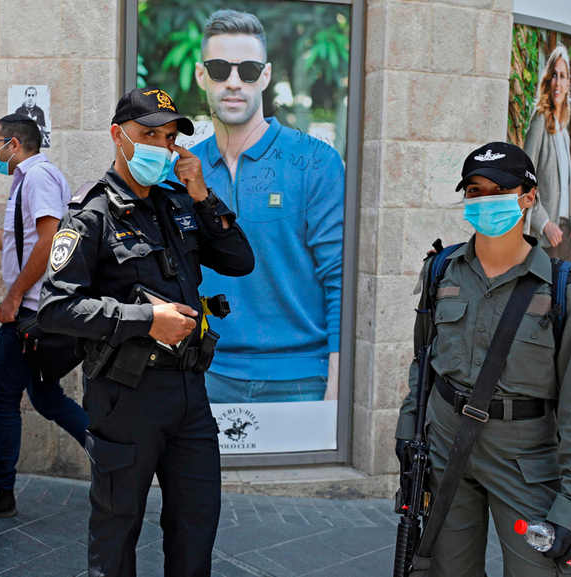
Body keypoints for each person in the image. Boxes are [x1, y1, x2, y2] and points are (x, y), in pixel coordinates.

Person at [37, 87, 254, 577]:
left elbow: (241, 261)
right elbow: (55, 308)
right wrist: (145, 320)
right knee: (116, 531)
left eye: (170, 136)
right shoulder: (90, 215)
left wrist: (202, 194)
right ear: (118, 136)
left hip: (188, 394)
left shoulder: (179, 203)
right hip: (125, 397)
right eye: (149, 134)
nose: (162, 144)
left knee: (197, 525)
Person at [395, 142, 571, 575]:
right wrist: (409, 429)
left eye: (499, 189)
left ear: (529, 197)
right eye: (475, 191)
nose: (485, 200)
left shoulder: (568, 292)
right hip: (444, 448)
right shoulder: (441, 271)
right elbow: (424, 360)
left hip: (526, 460)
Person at [186, 9, 344, 404]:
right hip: (204, 375)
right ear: (201, 75)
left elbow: (339, 279)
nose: (234, 83)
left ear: (267, 76)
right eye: (220, 69)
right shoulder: (181, 172)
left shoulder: (317, 162)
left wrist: (337, 390)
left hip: (302, 379)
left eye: (249, 70)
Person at [0, 113, 88, 519]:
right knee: (46, 395)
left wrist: (13, 296)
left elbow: (50, 240)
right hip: (38, 308)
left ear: (13, 144)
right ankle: (113, 455)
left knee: (0, 394)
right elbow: (17, 241)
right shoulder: (27, 181)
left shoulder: (37, 178)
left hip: (32, 311)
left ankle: (1, 488)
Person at [524, 45, 571, 261]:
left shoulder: (563, 132)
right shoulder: (540, 121)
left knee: (566, 293)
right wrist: (544, 223)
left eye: (562, 76)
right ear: (548, 80)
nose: (557, 81)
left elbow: (562, 188)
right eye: (553, 75)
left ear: (567, 84)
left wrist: (570, 222)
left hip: (564, 233)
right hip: (545, 237)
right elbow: (524, 180)